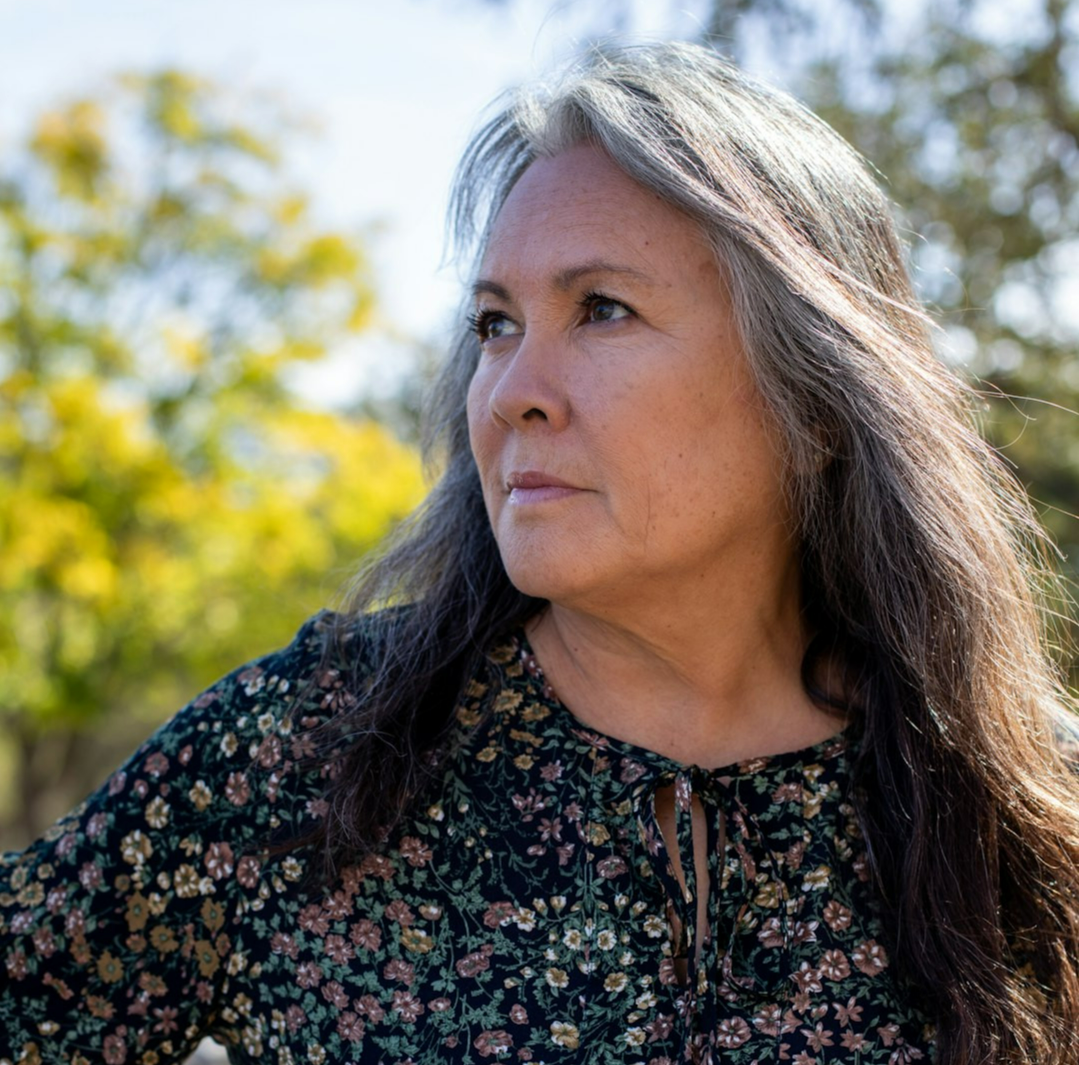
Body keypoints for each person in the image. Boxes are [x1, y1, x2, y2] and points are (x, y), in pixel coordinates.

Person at [2, 40, 1078, 1065]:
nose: (511, 391)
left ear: (818, 393)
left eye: (600, 310)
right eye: (493, 324)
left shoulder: (1019, 809)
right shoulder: (304, 757)